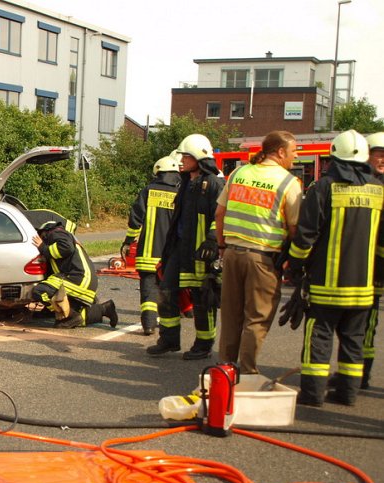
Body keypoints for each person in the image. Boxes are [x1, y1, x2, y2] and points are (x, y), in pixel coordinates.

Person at [287, 130, 384, 406]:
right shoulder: (379, 191)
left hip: (325, 286)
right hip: (363, 287)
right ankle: (347, 394)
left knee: (319, 337)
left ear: (333, 156)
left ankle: (313, 394)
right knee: (354, 341)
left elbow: (306, 236)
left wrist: (294, 266)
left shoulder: (322, 188)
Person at [214, 131, 302, 374]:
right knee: (257, 317)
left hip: (232, 253)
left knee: (231, 313)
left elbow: (219, 214)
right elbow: (294, 229)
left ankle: (225, 367)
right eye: (293, 152)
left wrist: (222, 247)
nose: (295, 158)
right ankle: (248, 370)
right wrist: (294, 260)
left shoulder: (239, 173)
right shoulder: (288, 183)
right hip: (263, 258)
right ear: (281, 152)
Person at [148, 134, 225, 359]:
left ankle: (203, 344)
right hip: (180, 250)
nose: (181, 160)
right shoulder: (186, 183)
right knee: (166, 291)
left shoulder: (214, 184)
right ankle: (169, 339)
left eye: (186, 156)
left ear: (199, 157)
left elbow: (219, 216)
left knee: (203, 298)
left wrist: (212, 239)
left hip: (202, 253)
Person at [122, 154, 181, 335]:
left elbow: (135, 220)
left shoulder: (148, 190)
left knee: (148, 291)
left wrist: (128, 242)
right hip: (171, 256)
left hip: (148, 253)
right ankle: (169, 329)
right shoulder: (181, 192)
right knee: (170, 291)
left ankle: (148, 325)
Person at [31, 219, 118, 328]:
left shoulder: (54, 233)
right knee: (64, 318)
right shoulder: (58, 235)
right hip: (81, 280)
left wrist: (43, 247)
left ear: (44, 231)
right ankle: (104, 309)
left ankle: (70, 316)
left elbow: (66, 247)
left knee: (39, 291)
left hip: (79, 279)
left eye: (40, 235)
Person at [360, 131, 384, 388]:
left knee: (367, 322)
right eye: (380, 154)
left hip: (376, 266)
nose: (383, 160)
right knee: (367, 323)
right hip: (366, 266)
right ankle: (361, 374)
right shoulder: (364, 183)